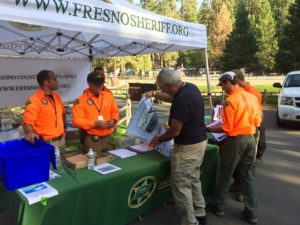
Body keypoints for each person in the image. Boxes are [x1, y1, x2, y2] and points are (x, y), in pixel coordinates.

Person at [144, 68, 208, 225]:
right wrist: (154, 94)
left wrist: (159, 139)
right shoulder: (190, 88)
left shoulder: (182, 99)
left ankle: (190, 221)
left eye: (161, 88)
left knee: (181, 185)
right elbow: (172, 98)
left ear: (168, 84)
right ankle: (200, 213)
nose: (161, 91)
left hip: (187, 147)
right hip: (200, 141)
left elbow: (175, 130)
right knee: (193, 178)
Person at [207, 71, 261, 224]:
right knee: (248, 176)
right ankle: (252, 213)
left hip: (235, 141)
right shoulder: (252, 97)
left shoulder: (230, 100)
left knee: (225, 174)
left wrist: (209, 129)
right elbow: (257, 121)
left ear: (228, 82)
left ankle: (219, 207)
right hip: (250, 138)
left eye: (222, 85)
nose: (223, 88)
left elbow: (226, 128)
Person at [72, 71, 119, 156]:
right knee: (93, 165)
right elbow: (76, 121)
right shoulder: (80, 101)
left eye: (101, 84)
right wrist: (94, 124)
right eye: (97, 84)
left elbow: (115, 111)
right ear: (89, 83)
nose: (100, 86)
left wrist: (114, 120)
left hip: (108, 138)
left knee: (112, 163)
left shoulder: (108, 96)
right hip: (92, 140)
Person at [23, 70, 66, 150]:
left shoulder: (57, 97)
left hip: (61, 140)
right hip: (46, 143)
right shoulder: (34, 100)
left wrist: (64, 129)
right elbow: (27, 122)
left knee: (62, 163)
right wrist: (30, 132)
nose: (57, 81)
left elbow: (62, 113)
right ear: (46, 82)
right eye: (54, 79)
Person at [233, 69, 266, 161]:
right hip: (251, 116)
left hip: (255, 117)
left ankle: (256, 156)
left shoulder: (252, 92)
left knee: (256, 138)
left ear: (238, 80)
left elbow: (253, 110)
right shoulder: (242, 89)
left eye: (233, 82)